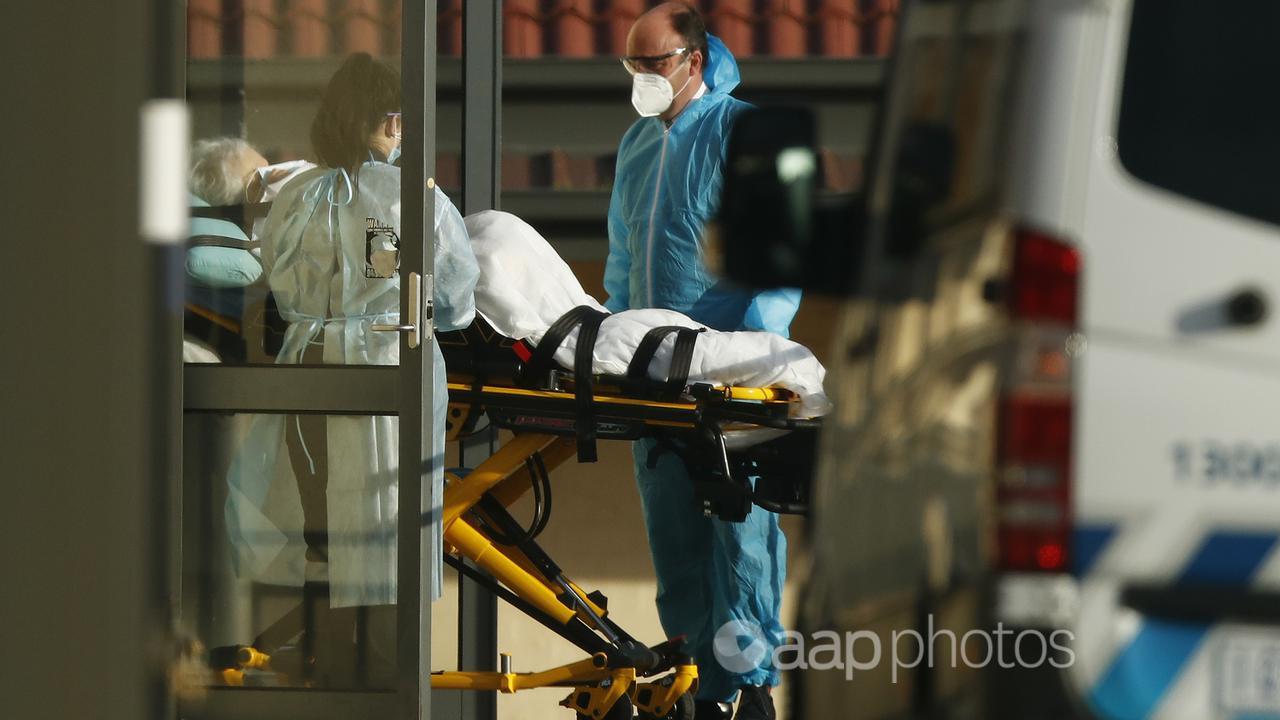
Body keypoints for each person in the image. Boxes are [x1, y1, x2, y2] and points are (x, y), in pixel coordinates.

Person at [226, 53, 479, 684]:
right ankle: (387, 687)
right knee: (389, 545)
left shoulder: (298, 197)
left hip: (310, 369)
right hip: (388, 367)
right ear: (389, 120)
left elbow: (277, 288)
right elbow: (452, 302)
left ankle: (333, 678)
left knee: (324, 545)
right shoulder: (415, 197)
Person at [604, 4, 801, 719]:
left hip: (723, 379)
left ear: (692, 60)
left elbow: (775, 258)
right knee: (675, 536)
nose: (640, 78)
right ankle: (696, 682)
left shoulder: (735, 132)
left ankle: (749, 686)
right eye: (631, 65)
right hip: (653, 378)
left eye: (652, 64)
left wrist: (749, 354)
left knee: (739, 536)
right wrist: (617, 346)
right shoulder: (636, 146)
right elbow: (625, 261)